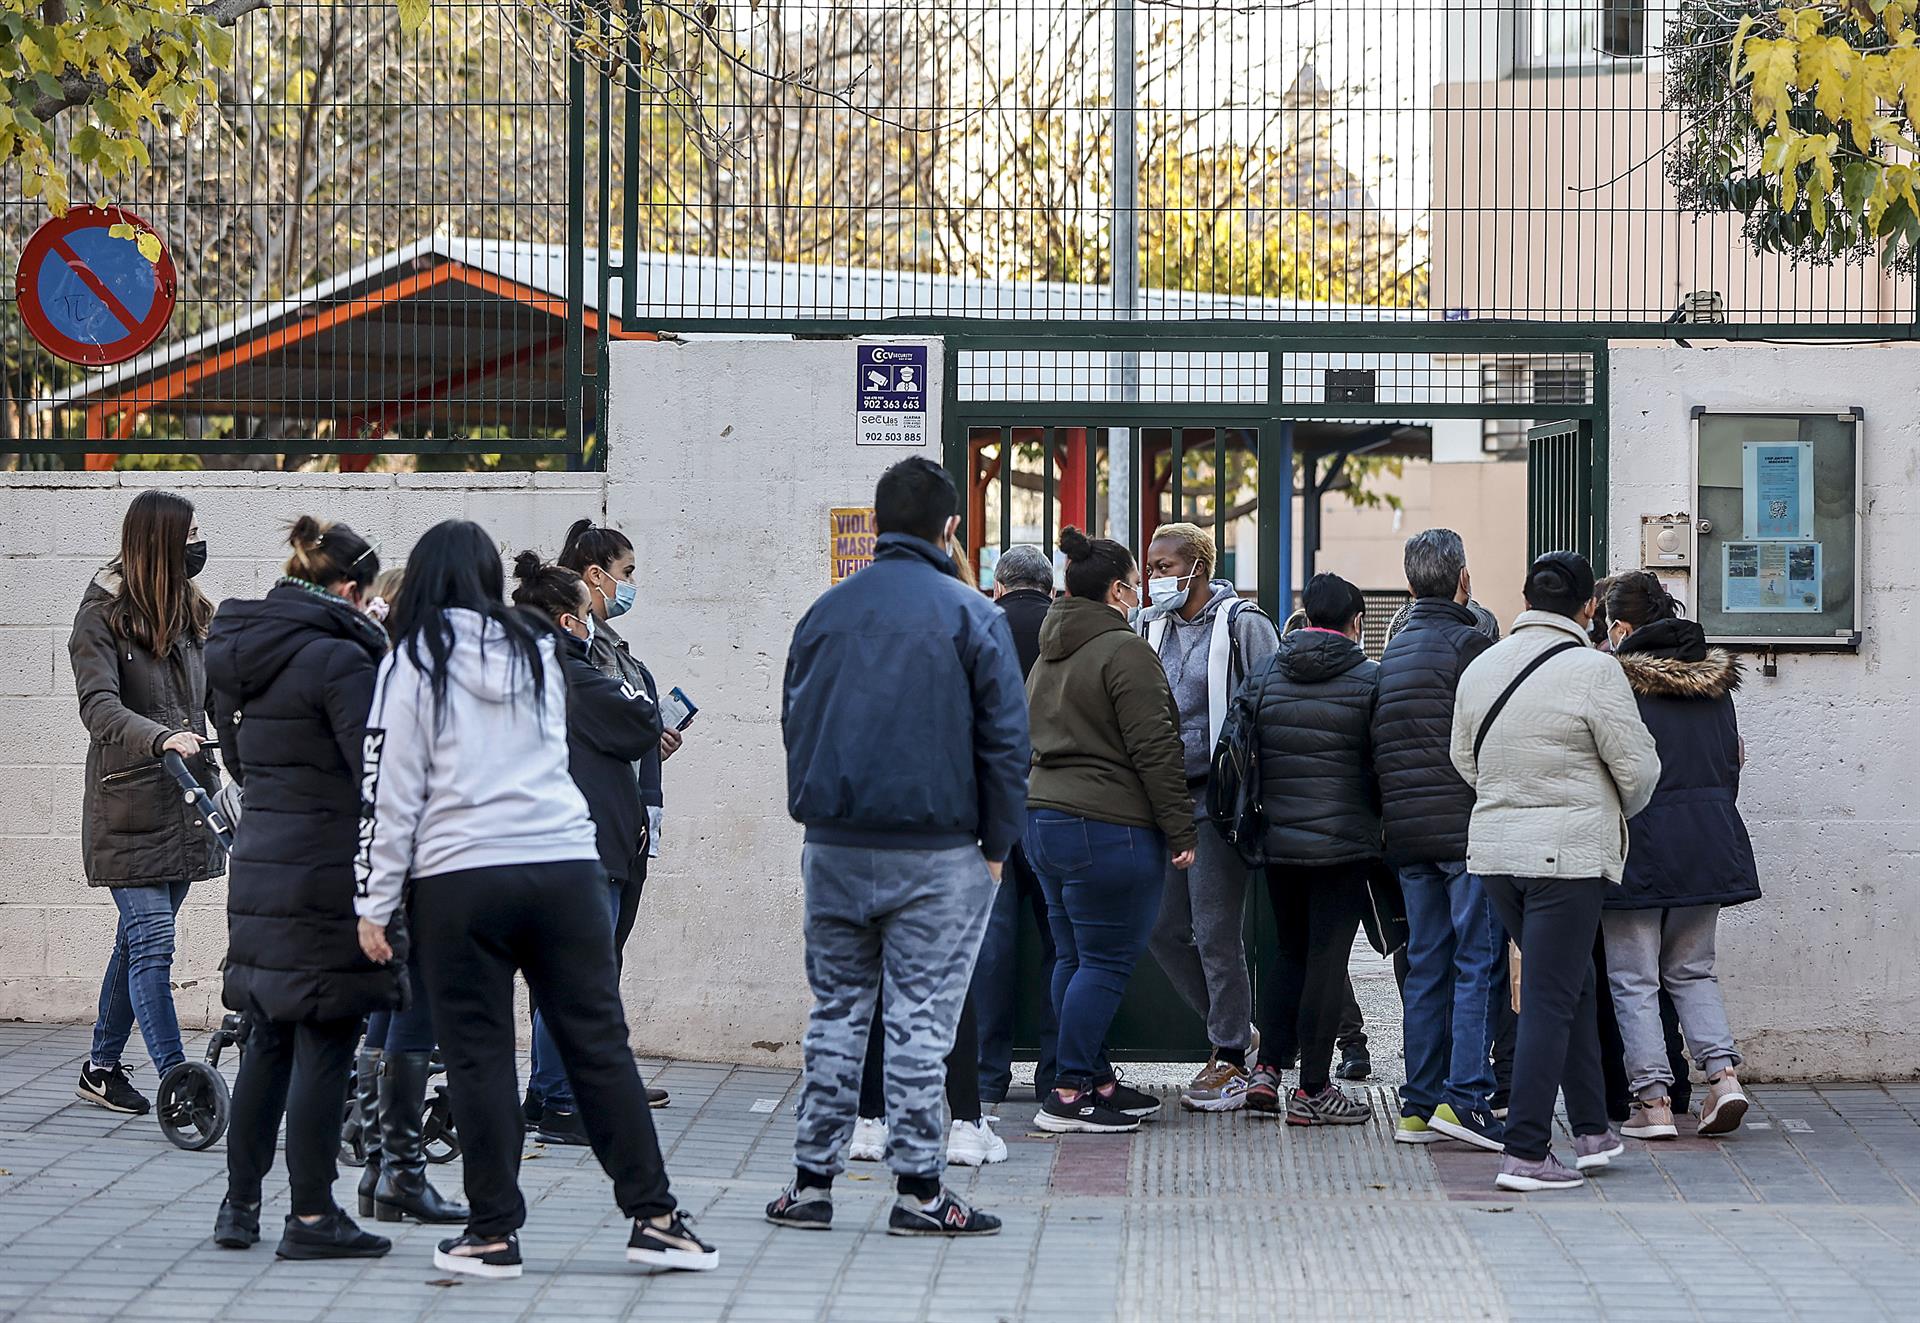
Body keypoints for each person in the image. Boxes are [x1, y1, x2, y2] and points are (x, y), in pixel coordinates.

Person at [356, 519, 714, 1278]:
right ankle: (657, 1217)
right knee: (598, 1045)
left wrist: (376, 901)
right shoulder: (537, 650)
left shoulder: (411, 660)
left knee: (482, 1053)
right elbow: (558, 753)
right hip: (565, 866)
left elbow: (390, 793)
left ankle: (492, 1233)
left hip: (462, 877)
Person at [768, 457, 1028, 1237]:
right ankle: (920, 1192)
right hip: (939, 850)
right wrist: (996, 844)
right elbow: (1007, 742)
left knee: (837, 1015)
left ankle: (811, 1184)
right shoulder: (970, 614)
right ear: (950, 527)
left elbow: (793, 721)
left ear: (878, 524)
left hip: (836, 845)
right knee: (921, 1021)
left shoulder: (823, 612)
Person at [204, 517, 397, 1259]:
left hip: (262, 865)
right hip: (326, 872)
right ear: (348, 589)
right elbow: (373, 768)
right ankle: (313, 1216)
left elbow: (243, 762)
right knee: (325, 1040)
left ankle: (239, 1205)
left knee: (267, 1040)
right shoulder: (341, 659)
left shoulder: (244, 651)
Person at [1450, 550, 1661, 1192]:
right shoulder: (1595, 671)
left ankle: (1594, 1130)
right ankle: (1526, 1153)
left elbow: (1465, 759)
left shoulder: (1482, 664)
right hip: (1566, 858)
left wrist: (1510, 798)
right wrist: (1605, 807)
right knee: (1548, 993)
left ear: (1526, 597)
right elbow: (1639, 769)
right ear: (1588, 606)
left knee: (1569, 985)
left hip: (1495, 854)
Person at [1023, 526, 1194, 1135]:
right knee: (1103, 963)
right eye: (1135, 581)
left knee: (1073, 956)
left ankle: (1092, 1078)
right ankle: (1068, 1093)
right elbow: (1155, 748)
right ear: (1119, 589)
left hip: (1044, 822)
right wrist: (1181, 831)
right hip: (1108, 827)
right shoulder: (1124, 651)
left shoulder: (1051, 652)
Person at [69, 490, 224, 1118]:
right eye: (190, 533)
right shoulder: (100, 615)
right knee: (154, 942)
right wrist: (160, 736)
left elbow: (215, 699)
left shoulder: (191, 611)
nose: (198, 543)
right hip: (128, 805)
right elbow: (98, 707)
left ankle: (101, 1067)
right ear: (160, 542)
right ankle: (178, 1084)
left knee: (136, 944)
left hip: (185, 803)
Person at [510, 552, 665, 1147]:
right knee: (578, 977)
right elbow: (638, 719)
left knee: (567, 977)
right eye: (582, 615)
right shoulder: (567, 672)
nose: (591, 625)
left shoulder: (540, 669)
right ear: (562, 619)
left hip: (583, 840)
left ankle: (546, 1092)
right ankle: (559, 1100)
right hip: (583, 845)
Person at [1602, 572, 1759, 1139]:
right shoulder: (1716, 681)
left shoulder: (1616, 682)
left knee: (1634, 977)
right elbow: (1731, 764)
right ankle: (1723, 1080)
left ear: (1621, 626)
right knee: (1693, 969)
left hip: (1639, 843)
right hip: (1709, 838)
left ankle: (1654, 1103)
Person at [1137, 522, 1278, 1113]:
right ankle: (1238, 1029)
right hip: (1160, 800)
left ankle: (1227, 1054)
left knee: (1215, 932)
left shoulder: (1242, 624)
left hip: (1217, 803)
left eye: (1165, 566)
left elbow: (1272, 697)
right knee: (1163, 930)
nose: (1153, 578)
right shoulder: (1147, 628)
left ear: (1197, 566)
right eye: (1149, 567)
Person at [1230, 573, 1380, 1126]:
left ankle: (1267, 1071)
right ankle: (1314, 1089)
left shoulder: (1268, 672)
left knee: (1289, 953)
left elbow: (1238, 743)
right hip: (1343, 846)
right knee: (1326, 957)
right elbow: (1382, 762)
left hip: (1278, 842)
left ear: (1305, 615)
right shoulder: (1370, 678)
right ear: (1355, 621)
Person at [1370, 529, 1503, 1151]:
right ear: (1463, 579)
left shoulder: (1392, 648)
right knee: (1477, 961)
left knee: (1426, 965)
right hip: (1463, 830)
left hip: (1407, 834)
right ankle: (1467, 1098)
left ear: (1408, 582)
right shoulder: (1469, 642)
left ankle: (1418, 1105)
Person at [350, 562, 466, 1229]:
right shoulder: (405, 675)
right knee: (411, 1007)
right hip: (417, 865)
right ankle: (399, 1171)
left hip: (390, 864)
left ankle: (379, 1166)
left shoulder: (379, 670)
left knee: (391, 1009)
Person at [556, 518, 676, 1109]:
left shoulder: (611, 650)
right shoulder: (577, 652)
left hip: (625, 814)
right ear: (595, 576)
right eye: (626, 574)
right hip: (592, 821)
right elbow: (601, 722)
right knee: (585, 961)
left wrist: (650, 734)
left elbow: (627, 720)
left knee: (605, 955)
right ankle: (569, 1088)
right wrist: (640, 727)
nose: (631, 586)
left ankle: (596, 1072)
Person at [971, 544, 1059, 1109]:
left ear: (998, 585)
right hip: (1058, 801)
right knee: (1064, 945)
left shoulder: (980, 627)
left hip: (992, 806)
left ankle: (985, 1075)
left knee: (993, 947)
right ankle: (1059, 1072)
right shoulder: (1067, 628)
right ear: (1050, 588)